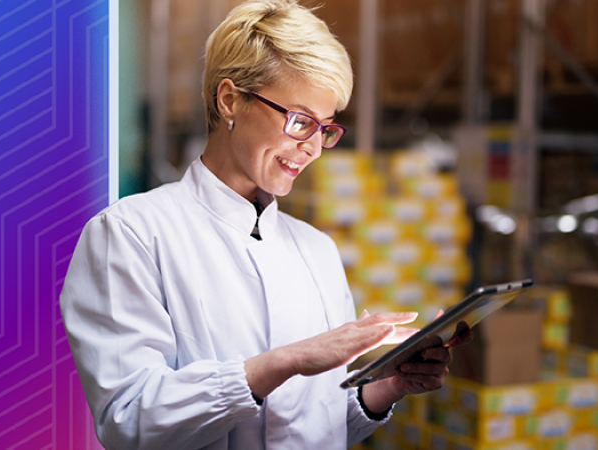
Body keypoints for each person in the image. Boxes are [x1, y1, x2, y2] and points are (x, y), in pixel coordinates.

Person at [60, 1, 469, 449]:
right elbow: (129, 419)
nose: (312, 148)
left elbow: (321, 425)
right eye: (299, 121)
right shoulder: (130, 235)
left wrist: (387, 386)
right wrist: (287, 361)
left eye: (326, 128)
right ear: (230, 99)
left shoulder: (315, 250)